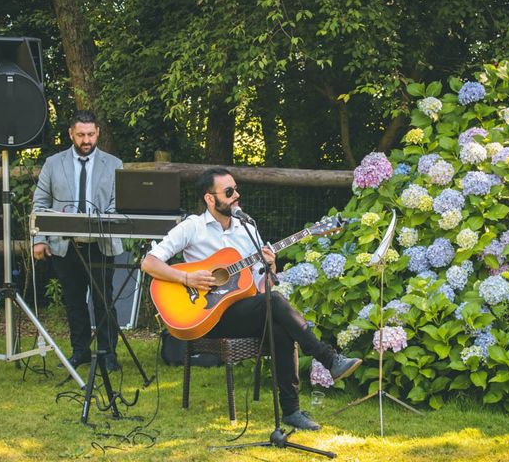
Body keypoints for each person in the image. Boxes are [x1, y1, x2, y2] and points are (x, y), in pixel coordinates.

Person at [141, 168, 362, 431]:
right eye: (229, 191)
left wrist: (270, 266)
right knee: (277, 303)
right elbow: (149, 263)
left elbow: (262, 286)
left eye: (236, 189)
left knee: (279, 325)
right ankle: (328, 359)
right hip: (207, 315)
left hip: (241, 311)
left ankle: (291, 411)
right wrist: (187, 279)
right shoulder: (193, 227)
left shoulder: (246, 228)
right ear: (210, 199)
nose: (236, 195)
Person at [32, 110, 123, 372]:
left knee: (103, 300)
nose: (86, 140)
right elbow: (40, 203)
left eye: (91, 134)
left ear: (98, 133)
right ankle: (80, 351)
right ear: (71, 133)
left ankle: (107, 353)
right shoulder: (53, 163)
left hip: (101, 244)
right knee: (73, 301)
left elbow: (119, 204)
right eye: (81, 134)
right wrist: (39, 238)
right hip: (65, 244)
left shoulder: (114, 164)